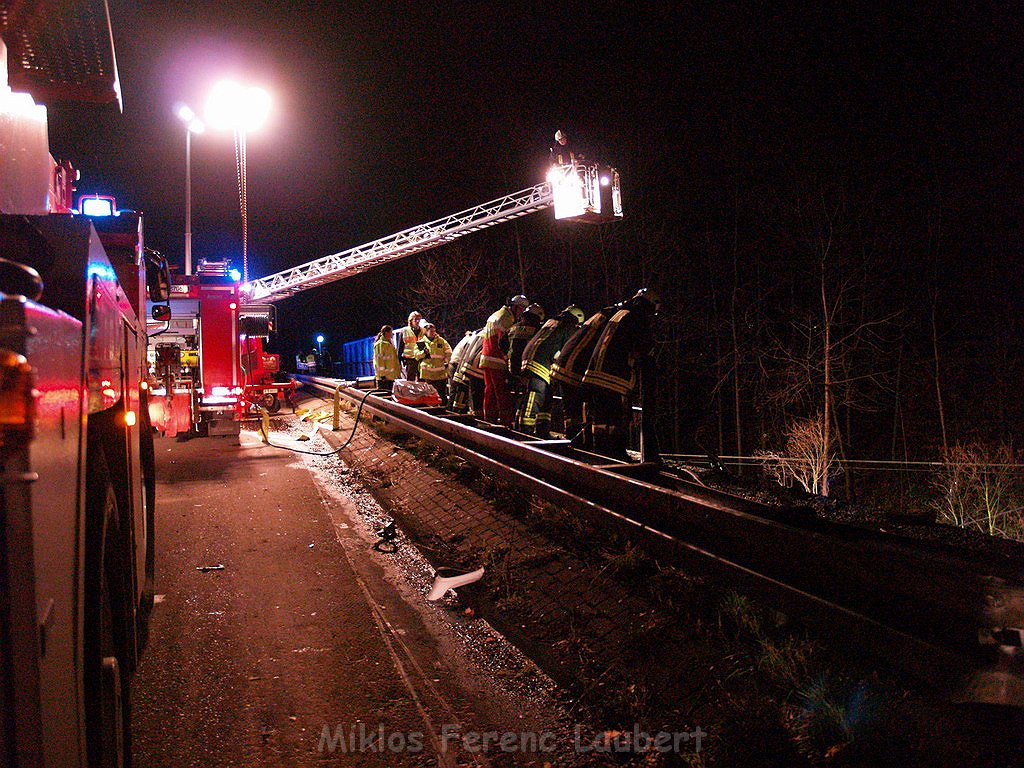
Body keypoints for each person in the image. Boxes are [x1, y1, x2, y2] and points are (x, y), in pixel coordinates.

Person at [580, 288, 660, 460]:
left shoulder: (620, 314)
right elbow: (643, 348)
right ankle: (616, 453)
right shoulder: (637, 317)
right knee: (618, 417)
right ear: (649, 306)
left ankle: (600, 452)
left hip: (594, 373)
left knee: (601, 419)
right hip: (614, 378)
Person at [550, 302, 621, 443]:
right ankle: (583, 443)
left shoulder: (593, 322)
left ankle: (574, 441)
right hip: (573, 371)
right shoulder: (608, 324)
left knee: (571, 410)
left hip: (562, 368)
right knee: (583, 408)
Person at [516, 305, 585, 437]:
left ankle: (542, 429)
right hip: (540, 363)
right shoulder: (569, 327)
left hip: (531, 359)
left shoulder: (551, 322)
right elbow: (567, 350)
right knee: (536, 394)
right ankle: (526, 429)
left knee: (546, 397)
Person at [479, 294, 529, 426]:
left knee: (489, 391)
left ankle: (489, 419)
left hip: (486, 358)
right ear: (515, 307)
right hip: (497, 360)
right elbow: (506, 342)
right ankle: (506, 422)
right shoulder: (506, 319)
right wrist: (510, 361)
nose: (522, 313)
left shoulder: (496, 315)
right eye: (521, 310)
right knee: (502, 392)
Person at [507, 302, 545, 397]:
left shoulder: (513, 327)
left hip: (512, 366)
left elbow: (501, 343)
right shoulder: (539, 329)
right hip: (528, 367)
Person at [416, 322, 452, 406]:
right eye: (431, 331)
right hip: (427, 374)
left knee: (441, 393)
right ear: (426, 332)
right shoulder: (421, 342)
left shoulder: (441, 341)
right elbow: (416, 355)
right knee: (429, 394)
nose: (433, 333)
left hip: (440, 373)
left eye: (434, 331)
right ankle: (431, 409)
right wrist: (423, 353)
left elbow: (449, 352)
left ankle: (443, 408)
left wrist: (446, 362)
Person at [394, 310, 424, 380]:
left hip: (420, 358)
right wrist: (399, 361)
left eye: (419, 319)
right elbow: (400, 347)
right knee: (410, 379)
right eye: (416, 319)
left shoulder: (423, 330)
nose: (417, 321)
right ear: (411, 320)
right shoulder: (404, 331)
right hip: (409, 359)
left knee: (421, 379)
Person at [372, 324, 400, 392]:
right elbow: (379, 360)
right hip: (384, 378)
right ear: (386, 333)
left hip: (390, 377)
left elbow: (393, 360)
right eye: (391, 332)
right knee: (383, 395)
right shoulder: (380, 344)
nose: (392, 334)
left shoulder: (389, 344)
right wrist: (382, 375)